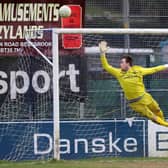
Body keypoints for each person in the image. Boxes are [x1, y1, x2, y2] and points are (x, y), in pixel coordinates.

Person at [99, 41, 168, 127]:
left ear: (128, 63)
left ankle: (164, 123)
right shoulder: (118, 73)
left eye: (122, 62)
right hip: (135, 103)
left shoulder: (138, 70)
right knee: (152, 116)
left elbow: (153, 69)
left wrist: (165, 66)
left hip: (145, 97)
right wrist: (102, 54)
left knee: (157, 110)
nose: (120, 64)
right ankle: (166, 125)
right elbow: (106, 66)